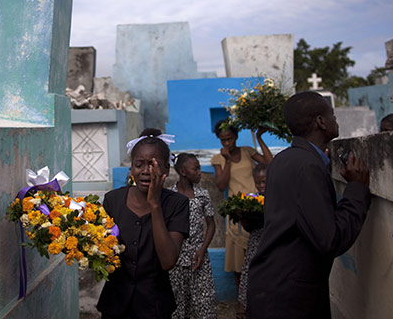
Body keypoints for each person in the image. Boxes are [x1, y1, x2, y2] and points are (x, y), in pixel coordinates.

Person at [247, 91, 371, 318]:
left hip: (271, 286)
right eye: (332, 115)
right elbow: (330, 240)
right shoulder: (307, 167)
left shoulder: (283, 160)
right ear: (321, 122)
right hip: (290, 298)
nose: (335, 120)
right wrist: (356, 189)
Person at [97, 128, 190, 319]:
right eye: (139, 164)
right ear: (131, 168)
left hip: (154, 306)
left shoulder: (177, 204)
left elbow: (168, 261)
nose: (146, 171)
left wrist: (155, 204)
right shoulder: (113, 200)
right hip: (115, 304)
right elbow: (102, 251)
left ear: (166, 169)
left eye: (154, 165)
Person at [211, 119, 273, 291]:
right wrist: (228, 160)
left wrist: (260, 138)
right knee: (238, 262)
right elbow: (221, 185)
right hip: (237, 212)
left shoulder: (247, 151)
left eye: (229, 138)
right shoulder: (218, 158)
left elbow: (270, 164)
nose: (227, 143)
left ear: (236, 136)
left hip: (257, 208)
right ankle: (242, 301)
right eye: (223, 140)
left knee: (260, 254)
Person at [168, 153, 217, 319]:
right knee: (178, 304)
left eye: (199, 168)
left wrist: (202, 250)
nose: (199, 172)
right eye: (195, 169)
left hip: (198, 257)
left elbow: (211, 224)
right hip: (176, 258)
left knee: (204, 302)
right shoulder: (169, 196)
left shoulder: (202, 194)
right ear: (183, 171)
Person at [237, 163, 267, 314]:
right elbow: (249, 228)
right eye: (258, 183)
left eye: (264, 182)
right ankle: (245, 305)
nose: (261, 186)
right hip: (255, 244)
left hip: (271, 245)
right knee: (249, 271)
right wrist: (244, 219)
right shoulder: (251, 200)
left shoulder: (279, 199)